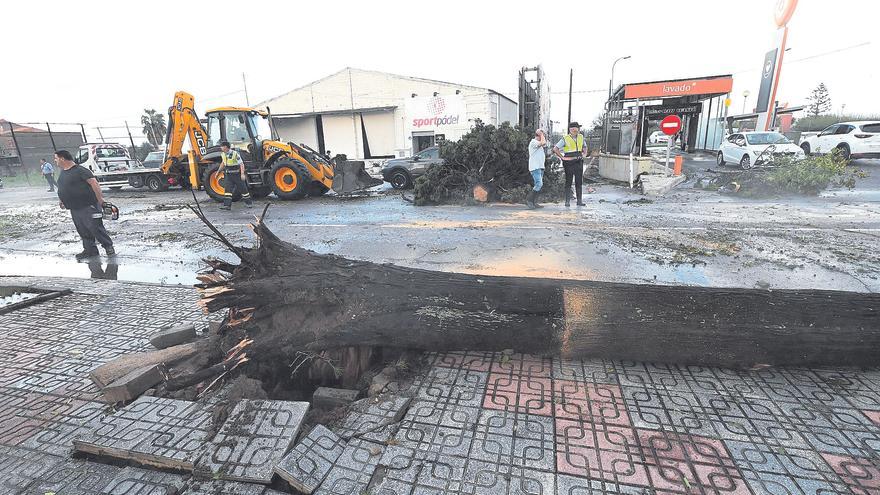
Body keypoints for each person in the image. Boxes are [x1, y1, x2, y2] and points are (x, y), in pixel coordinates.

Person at [54, 150, 115, 260]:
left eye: (56, 158)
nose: (55, 161)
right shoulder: (63, 172)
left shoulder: (80, 170)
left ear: (62, 158)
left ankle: (108, 247)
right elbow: (63, 187)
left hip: (88, 206)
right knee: (82, 230)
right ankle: (90, 250)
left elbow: (94, 183)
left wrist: (100, 199)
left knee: (95, 228)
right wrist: (61, 200)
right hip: (74, 208)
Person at [553, 122, 588, 207]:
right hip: (569, 161)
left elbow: (585, 147)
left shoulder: (581, 137)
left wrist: (584, 154)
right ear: (572, 129)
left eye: (578, 128)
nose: (578, 130)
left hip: (579, 160)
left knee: (579, 181)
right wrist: (562, 157)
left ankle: (579, 201)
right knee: (568, 181)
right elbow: (555, 148)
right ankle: (567, 201)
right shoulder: (565, 138)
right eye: (576, 128)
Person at [219, 141, 252, 210]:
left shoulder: (235, 154)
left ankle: (249, 203)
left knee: (243, 189)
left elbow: (241, 164)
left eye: (221, 146)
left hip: (236, 174)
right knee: (228, 190)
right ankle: (227, 205)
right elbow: (223, 163)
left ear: (225, 147)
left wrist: (242, 174)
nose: (220, 147)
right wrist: (218, 172)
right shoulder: (223, 154)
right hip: (229, 175)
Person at [526, 129, 547, 209]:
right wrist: (541, 134)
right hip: (535, 167)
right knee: (539, 184)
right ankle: (529, 200)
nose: (543, 137)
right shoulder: (533, 142)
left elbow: (544, 144)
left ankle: (534, 202)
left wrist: (541, 135)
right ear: (538, 135)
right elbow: (543, 142)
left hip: (540, 166)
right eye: (542, 135)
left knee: (538, 185)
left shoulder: (538, 144)